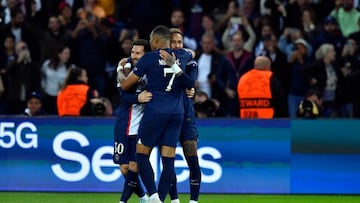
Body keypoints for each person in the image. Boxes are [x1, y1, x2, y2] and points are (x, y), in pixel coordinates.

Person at [118, 25, 194, 203]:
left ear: (157, 41)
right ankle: (160, 198)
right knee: (168, 161)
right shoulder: (182, 55)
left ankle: (153, 195)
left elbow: (126, 85)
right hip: (177, 113)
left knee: (141, 155)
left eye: (152, 40)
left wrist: (120, 70)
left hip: (156, 111)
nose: (150, 43)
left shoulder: (149, 59)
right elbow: (191, 61)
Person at [113, 39, 152, 203]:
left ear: (146, 54)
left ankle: (122, 201)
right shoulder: (124, 69)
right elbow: (122, 94)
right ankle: (143, 197)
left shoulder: (152, 70)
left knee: (134, 167)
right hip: (123, 124)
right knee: (124, 169)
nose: (133, 56)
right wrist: (138, 97)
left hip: (142, 126)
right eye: (132, 52)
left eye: (138, 53)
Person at [168, 28, 201, 203]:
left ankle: (194, 201)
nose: (177, 45)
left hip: (186, 116)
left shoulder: (191, 62)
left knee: (192, 160)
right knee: (168, 163)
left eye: (180, 42)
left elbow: (190, 82)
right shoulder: (158, 64)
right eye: (173, 42)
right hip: (168, 117)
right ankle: (174, 200)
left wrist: (191, 87)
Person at [41, 45, 72, 115]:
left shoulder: (70, 68)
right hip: (48, 95)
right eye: (66, 53)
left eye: (69, 54)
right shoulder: (47, 64)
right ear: (59, 54)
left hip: (62, 97)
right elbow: (42, 75)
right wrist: (43, 86)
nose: (68, 56)